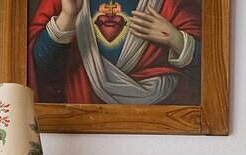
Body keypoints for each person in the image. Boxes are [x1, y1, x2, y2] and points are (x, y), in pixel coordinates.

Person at [28, 0, 201, 106]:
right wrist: (67, 17)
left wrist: (177, 40)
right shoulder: (64, 1)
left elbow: (211, 69)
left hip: (161, 121)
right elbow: (41, 68)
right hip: (83, 116)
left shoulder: (174, 2)